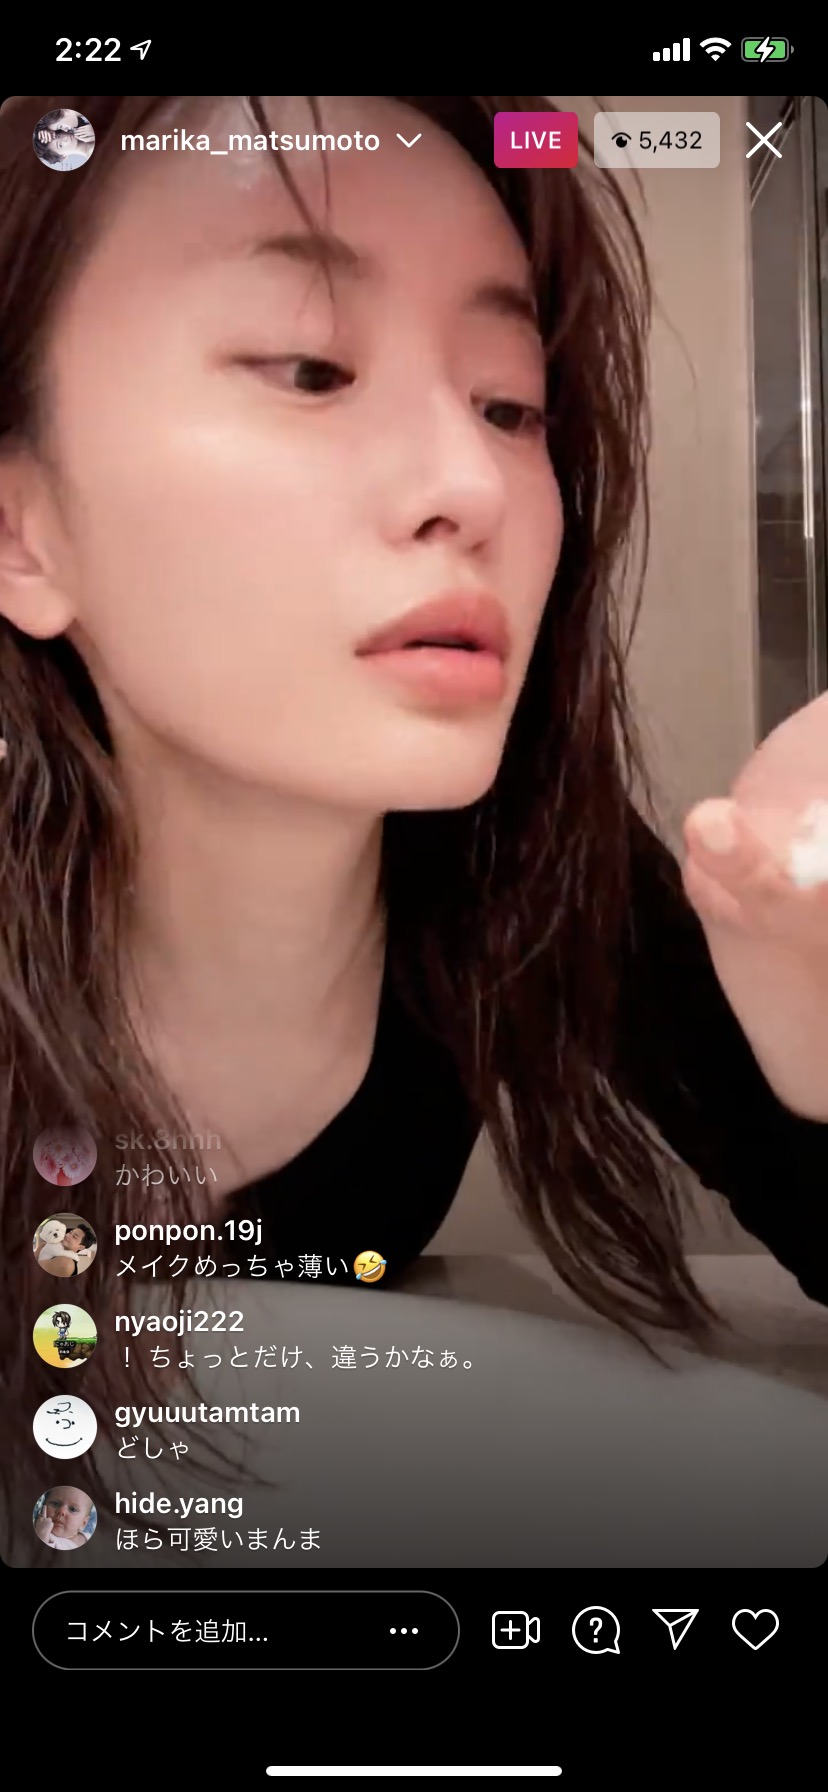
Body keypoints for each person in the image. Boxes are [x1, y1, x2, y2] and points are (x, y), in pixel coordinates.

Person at [1, 95, 827, 1536]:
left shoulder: (531, 881)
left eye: (511, 404)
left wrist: (816, 1054)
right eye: (311, 368)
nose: (471, 485)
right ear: (21, 530)